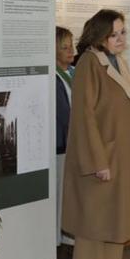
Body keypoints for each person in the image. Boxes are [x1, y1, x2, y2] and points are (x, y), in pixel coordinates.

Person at [62, 9, 130, 259]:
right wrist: (98, 161)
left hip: (120, 156)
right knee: (94, 223)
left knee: (116, 221)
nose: (122, 39)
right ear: (100, 35)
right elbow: (84, 117)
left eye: (124, 32)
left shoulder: (118, 62)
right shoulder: (89, 62)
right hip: (101, 157)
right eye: (115, 34)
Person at [55, 26, 76, 247]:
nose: (71, 51)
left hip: (74, 143)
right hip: (63, 145)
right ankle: (62, 236)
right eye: (64, 47)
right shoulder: (55, 77)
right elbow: (63, 115)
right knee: (63, 195)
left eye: (71, 45)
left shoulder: (73, 72)